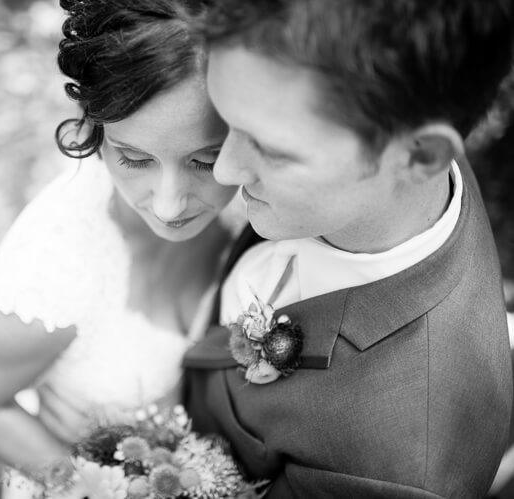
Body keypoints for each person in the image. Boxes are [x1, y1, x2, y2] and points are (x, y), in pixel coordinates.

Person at [183, 0, 514, 497]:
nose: (225, 171)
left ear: (420, 155)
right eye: (226, 120)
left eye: (270, 149)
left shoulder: (397, 467)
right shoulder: (397, 130)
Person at [0, 0, 242, 495]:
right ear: (95, 129)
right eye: (133, 158)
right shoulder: (48, 273)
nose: (170, 206)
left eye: (205, 160)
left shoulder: (261, 192)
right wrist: (94, 487)